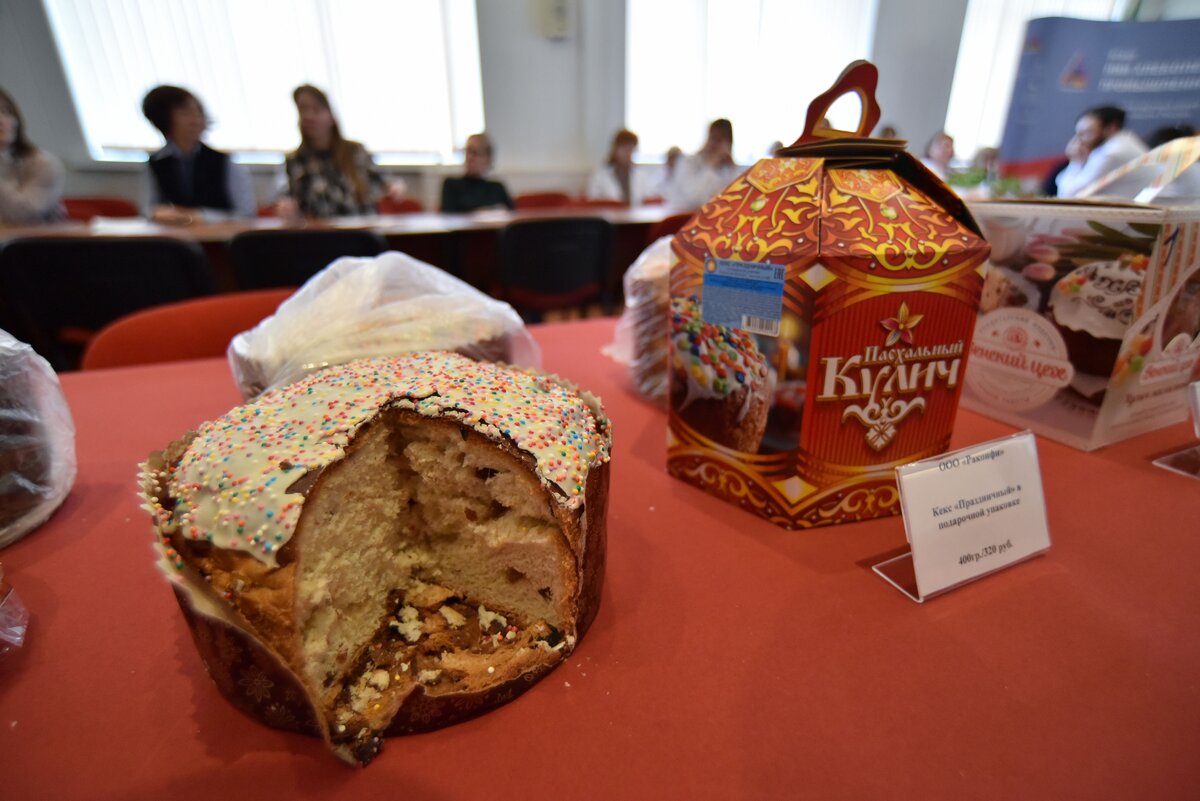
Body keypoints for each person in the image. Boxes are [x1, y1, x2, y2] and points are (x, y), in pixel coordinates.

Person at [278, 85, 403, 219]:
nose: (309, 116)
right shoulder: (295, 161)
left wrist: (394, 187)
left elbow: (385, 181)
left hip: (362, 226)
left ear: (331, 115)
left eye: (316, 109)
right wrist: (287, 206)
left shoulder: (355, 151)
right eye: (303, 110)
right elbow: (285, 195)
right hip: (318, 230)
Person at [141, 85, 255, 223]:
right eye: (185, 113)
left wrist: (200, 216)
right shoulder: (156, 163)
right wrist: (159, 214)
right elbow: (148, 209)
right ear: (164, 119)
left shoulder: (224, 162)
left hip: (218, 235)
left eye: (199, 113)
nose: (196, 120)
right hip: (172, 234)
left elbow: (246, 214)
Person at [0, 88, 65, 225]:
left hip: (38, 236)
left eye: (5, 112)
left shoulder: (44, 164)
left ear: (16, 121)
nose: (1, 120)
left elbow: (26, 214)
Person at [1055, 105, 1147, 199]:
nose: (1078, 141)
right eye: (1078, 134)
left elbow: (1067, 195)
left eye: (1087, 133)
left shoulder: (1111, 153)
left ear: (1112, 128)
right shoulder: (1125, 142)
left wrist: (1076, 162)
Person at [666, 119, 742, 210]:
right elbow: (695, 199)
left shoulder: (727, 168)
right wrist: (711, 166)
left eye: (724, 140)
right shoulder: (687, 163)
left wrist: (733, 168)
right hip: (685, 216)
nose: (718, 145)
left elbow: (739, 199)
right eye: (715, 138)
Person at [440, 133, 513, 212]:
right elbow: (449, 215)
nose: (470, 157)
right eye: (468, 152)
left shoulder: (497, 188)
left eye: (476, 153)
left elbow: (512, 213)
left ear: (488, 159)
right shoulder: (451, 185)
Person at [586, 128, 652, 206]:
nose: (628, 154)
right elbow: (593, 203)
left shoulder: (641, 177)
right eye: (625, 149)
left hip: (636, 214)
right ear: (615, 149)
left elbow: (648, 202)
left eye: (631, 150)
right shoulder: (600, 177)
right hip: (610, 214)